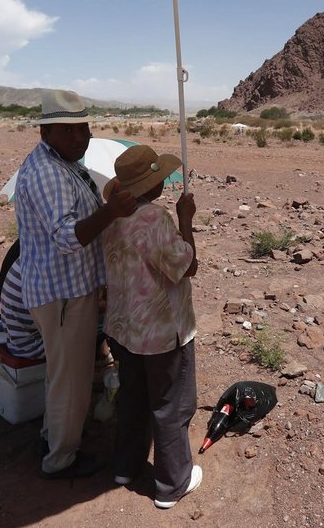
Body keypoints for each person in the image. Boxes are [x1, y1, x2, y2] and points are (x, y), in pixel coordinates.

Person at [14, 89, 137, 480]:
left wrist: (105, 207)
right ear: (46, 132)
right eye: (70, 132)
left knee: (63, 373)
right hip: (62, 295)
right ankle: (61, 459)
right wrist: (112, 213)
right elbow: (67, 237)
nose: (81, 138)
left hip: (64, 289)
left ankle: (53, 436)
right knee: (72, 381)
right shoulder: (50, 172)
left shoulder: (62, 162)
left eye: (84, 128)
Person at [101, 144, 202, 509]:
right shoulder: (154, 218)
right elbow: (186, 266)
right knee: (171, 404)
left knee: (132, 398)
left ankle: (125, 468)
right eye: (159, 179)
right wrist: (185, 218)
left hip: (124, 329)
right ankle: (172, 483)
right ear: (152, 187)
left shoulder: (110, 217)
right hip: (161, 333)